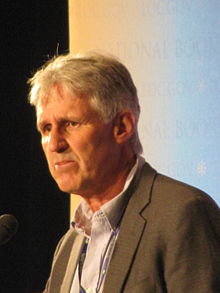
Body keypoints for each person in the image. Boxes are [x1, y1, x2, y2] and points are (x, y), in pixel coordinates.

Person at [28, 52, 220, 293]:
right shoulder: (69, 244)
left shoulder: (183, 214)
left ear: (122, 127)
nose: (55, 144)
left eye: (71, 123)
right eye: (46, 128)